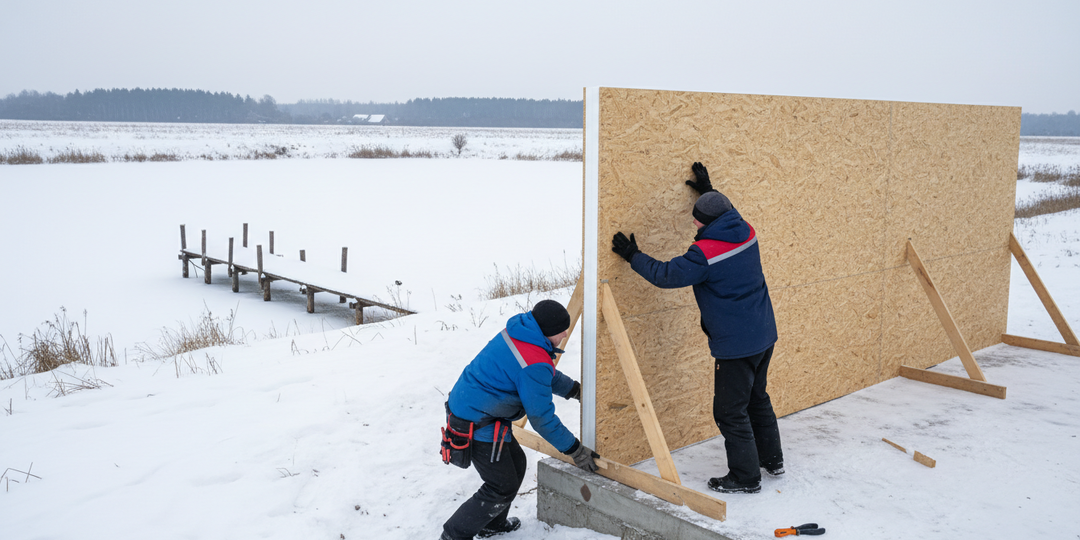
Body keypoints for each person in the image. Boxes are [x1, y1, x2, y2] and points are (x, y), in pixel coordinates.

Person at [610, 161, 783, 494]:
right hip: (763, 332)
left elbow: (665, 275)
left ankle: (746, 477)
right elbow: (726, 210)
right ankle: (772, 460)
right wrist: (708, 191)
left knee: (730, 412)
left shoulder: (705, 255)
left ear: (705, 223)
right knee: (757, 397)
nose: (693, 221)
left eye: (697, 218)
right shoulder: (746, 230)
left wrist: (633, 254)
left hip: (736, 346)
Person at [440, 300, 599, 539]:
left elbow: (543, 373)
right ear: (545, 330)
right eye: (560, 330)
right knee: (500, 486)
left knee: (516, 464)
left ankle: (492, 524)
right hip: (475, 422)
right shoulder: (532, 360)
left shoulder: (523, 332)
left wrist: (573, 390)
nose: (565, 334)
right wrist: (575, 449)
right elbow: (541, 417)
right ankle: (453, 535)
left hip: (476, 407)